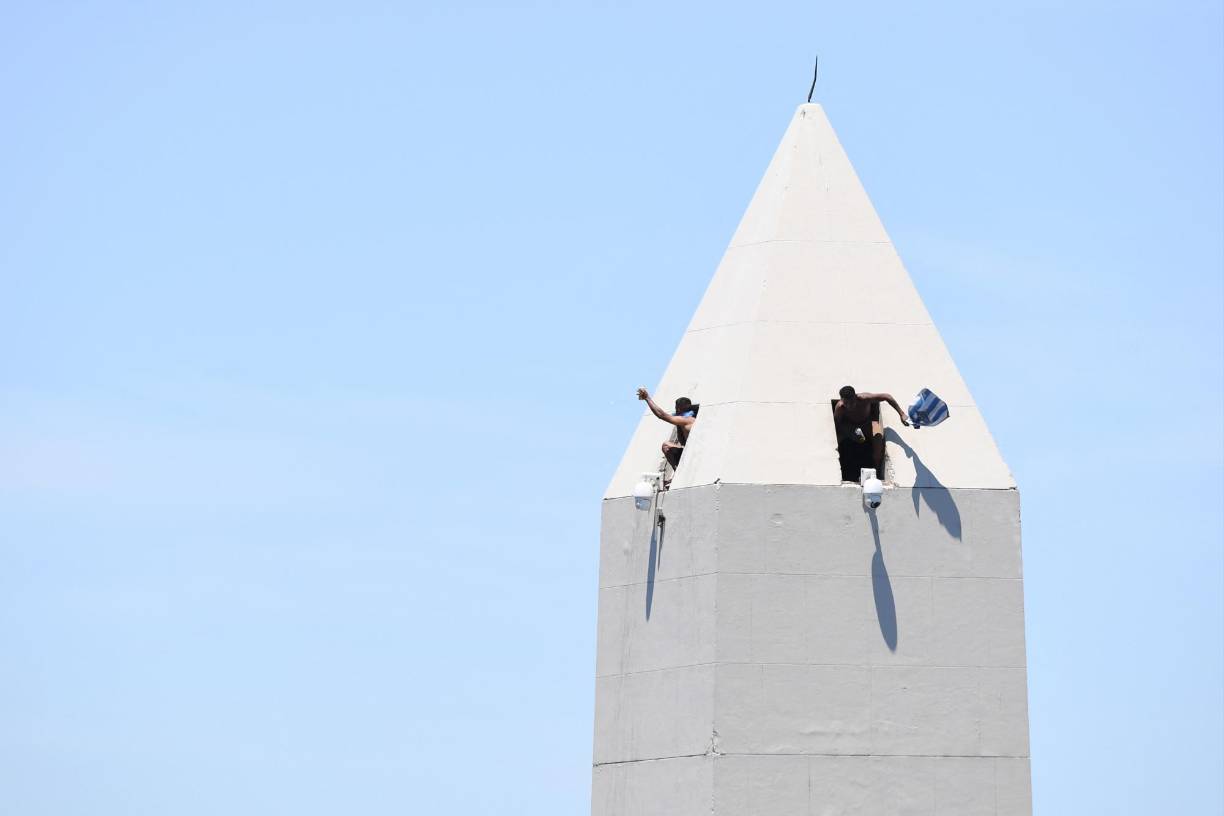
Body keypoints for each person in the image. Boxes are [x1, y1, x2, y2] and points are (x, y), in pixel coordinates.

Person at [834, 385, 909, 471]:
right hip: (853, 427)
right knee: (839, 439)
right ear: (842, 400)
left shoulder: (865, 398)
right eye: (846, 403)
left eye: (851, 403)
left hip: (870, 423)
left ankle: (876, 469)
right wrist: (850, 432)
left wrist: (901, 414)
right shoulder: (840, 407)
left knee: (878, 442)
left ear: (855, 397)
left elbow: (887, 396)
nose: (849, 406)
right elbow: (838, 424)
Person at [636, 388, 697, 471]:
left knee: (666, 445)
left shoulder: (686, 419)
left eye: (677, 408)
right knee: (667, 445)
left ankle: (677, 471)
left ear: (680, 408)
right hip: (689, 451)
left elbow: (661, 415)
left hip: (692, 453)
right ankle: (677, 470)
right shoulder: (687, 419)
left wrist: (647, 398)